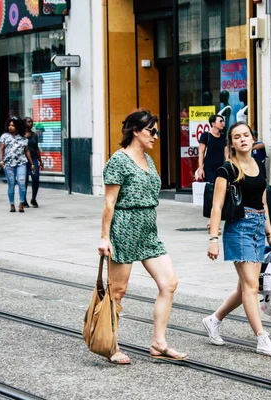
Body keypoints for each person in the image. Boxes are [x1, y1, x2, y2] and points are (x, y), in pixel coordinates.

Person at [98, 109, 188, 365]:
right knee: (118, 292)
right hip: (124, 227)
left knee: (169, 283)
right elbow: (109, 201)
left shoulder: (149, 161)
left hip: (148, 229)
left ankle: (159, 343)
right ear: (136, 131)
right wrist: (105, 237)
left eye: (156, 131)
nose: (156, 136)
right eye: (152, 131)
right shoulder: (119, 160)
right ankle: (111, 345)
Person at [203, 121, 271, 356]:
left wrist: (270, 234)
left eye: (246, 135)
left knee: (244, 287)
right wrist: (213, 239)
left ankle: (214, 319)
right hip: (239, 228)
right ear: (232, 143)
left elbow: (264, 202)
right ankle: (262, 338)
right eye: (237, 137)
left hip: (258, 227)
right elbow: (216, 207)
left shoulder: (259, 165)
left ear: (252, 138)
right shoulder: (226, 170)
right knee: (251, 286)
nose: (242, 139)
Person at [0, 117, 35, 213]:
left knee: (22, 182)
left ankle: (21, 203)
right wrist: (1, 160)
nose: (11, 127)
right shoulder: (4, 136)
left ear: (18, 126)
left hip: (21, 163)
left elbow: (26, 151)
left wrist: (32, 163)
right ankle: (11, 204)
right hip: (9, 163)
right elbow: (1, 149)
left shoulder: (23, 137)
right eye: (9, 125)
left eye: (13, 125)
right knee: (11, 183)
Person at [198, 114, 228, 183]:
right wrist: (201, 169)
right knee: (211, 187)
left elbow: (226, 153)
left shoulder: (223, 137)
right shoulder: (205, 136)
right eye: (220, 121)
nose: (223, 123)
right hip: (209, 168)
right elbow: (201, 153)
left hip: (221, 167)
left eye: (223, 121)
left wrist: (227, 165)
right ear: (213, 123)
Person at [24, 117, 43, 208]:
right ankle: (23, 200)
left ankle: (33, 199)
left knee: (36, 177)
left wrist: (40, 161)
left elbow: (36, 148)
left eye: (31, 122)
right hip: (23, 159)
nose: (30, 123)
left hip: (34, 158)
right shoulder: (20, 134)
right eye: (28, 121)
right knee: (24, 180)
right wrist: (24, 137)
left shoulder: (34, 135)